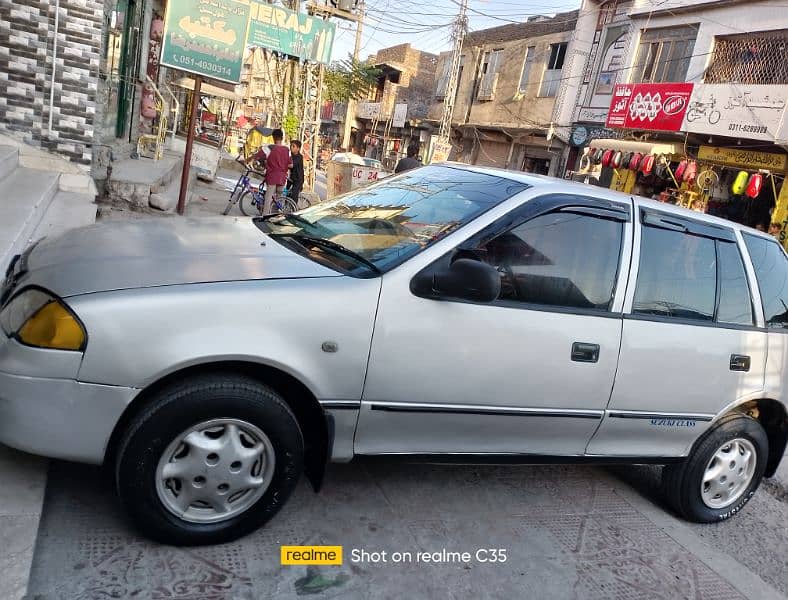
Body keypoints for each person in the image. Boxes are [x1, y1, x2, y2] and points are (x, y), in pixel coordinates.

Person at [249, 128, 290, 215]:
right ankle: (277, 215)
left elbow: (257, 156)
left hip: (272, 176)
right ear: (282, 138)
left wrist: (246, 160)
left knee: (268, 197)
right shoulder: (287, 150)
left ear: (273, 138)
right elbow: (290, 164)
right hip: (282, 177)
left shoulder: (269, 148)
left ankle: (265, 216)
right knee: (280, 198)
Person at [289, 140, 304, 207]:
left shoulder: (299, 157)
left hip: (298, 179)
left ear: (298, 148)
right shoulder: (290, 155)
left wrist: (281, 164)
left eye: (293, 146)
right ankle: (287, 209)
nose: (291, 147)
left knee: (293, 196)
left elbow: (291, 165)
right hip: (291, 178)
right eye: (291, 146)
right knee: (287, 193)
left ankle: (294, 210)